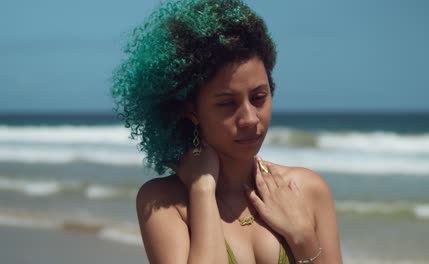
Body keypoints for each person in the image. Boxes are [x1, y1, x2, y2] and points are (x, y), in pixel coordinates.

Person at [111, 0, 343, 263]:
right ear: (192, 110)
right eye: (227, 103)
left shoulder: (307, 190)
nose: (249, 119)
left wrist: (303, 238)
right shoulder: (163, 202)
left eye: (258, 97)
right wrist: (202, 189)